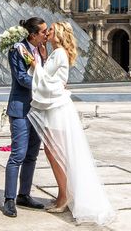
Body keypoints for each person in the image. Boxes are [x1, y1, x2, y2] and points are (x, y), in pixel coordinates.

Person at [24, 22, 115, 225]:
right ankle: (64, 193)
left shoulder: (59, 54)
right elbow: (53, 77)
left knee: (55, 152)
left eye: (51, 31)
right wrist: (42, 58)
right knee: (55, 151)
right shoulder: (58, 53)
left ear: (60, 35)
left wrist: (34, 65)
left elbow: (51, 82)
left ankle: (64, 196)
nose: (47, 33)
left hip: (57, 109)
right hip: (57, 107)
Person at [2, 17, 48, 218]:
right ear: (33, 34)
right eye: (43, 32)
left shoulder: (41, 51)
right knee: (18, 155)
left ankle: (24, 195)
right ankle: (9, 199)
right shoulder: (17, 50)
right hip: (21, 108)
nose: (47, 35)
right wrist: (46, 85)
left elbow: (43, 74)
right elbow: (21, 77)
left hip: (37, 109)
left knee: (32, 155)